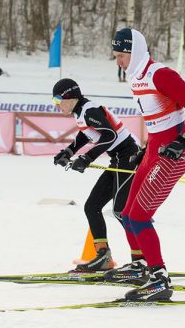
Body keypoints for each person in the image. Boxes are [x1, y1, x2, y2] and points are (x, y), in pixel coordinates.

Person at [105, 28, 185, 301]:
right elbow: (158, 120)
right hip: (153, 152)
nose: (118, 62)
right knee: (126, 214)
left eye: (120, 56)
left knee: (139, 216)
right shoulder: (135, 78)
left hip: (171, 157)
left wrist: (182, 140)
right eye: (115, 57)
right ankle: (141, 267)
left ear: (133, 52)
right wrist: (146, 148)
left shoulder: (161, 75)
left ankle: (159, 278)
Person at [51, 78, 141, 272]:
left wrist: (88, 157)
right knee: (92, 206)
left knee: (121, 211)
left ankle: (142, 259)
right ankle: (103, 256)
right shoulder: (81, 112)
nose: (57, 105)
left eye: (58, 99)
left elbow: (110, 135)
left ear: (71, 96)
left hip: (129, 158)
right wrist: (68, 152)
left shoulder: (89, 110)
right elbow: (86, 134)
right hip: (117, 159)